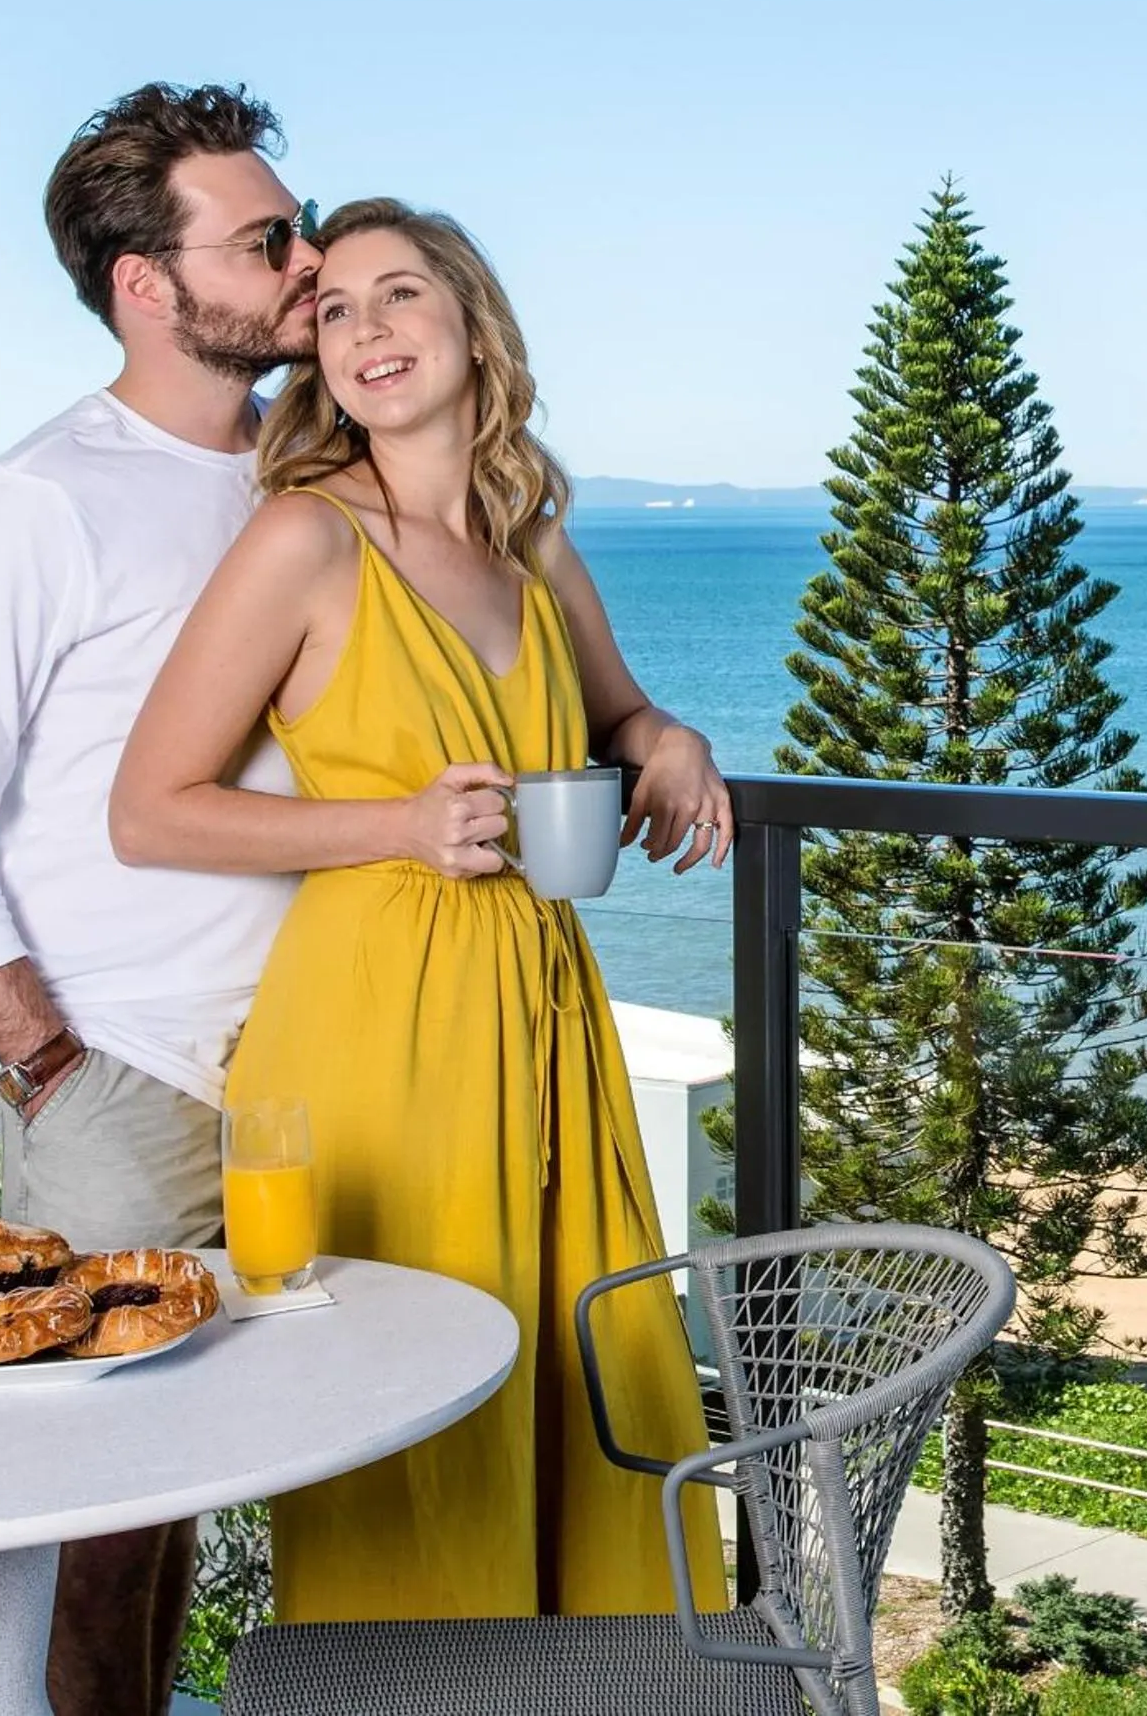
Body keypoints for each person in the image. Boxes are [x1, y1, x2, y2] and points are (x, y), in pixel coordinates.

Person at [110, 197, 733, 1622]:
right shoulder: (304, 540)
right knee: (412, 1432)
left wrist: (666, 737)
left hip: (541, 1014)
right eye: (333, 310)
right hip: (376, 1027)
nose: (365, 331)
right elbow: (149, 807)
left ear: (472, 322)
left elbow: (615, 708)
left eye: (399, 296)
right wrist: (396, 822)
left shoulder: (533, 543)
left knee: (585, 1374)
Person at [0, 82, 322, 1716]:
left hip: (310, 1074)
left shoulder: (306, 474)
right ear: (147, 282)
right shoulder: (41, 496)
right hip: (126, 1069)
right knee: (104, 1527)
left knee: (240, 1484)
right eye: (264, 239)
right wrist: (48, 1062)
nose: (306, 260)